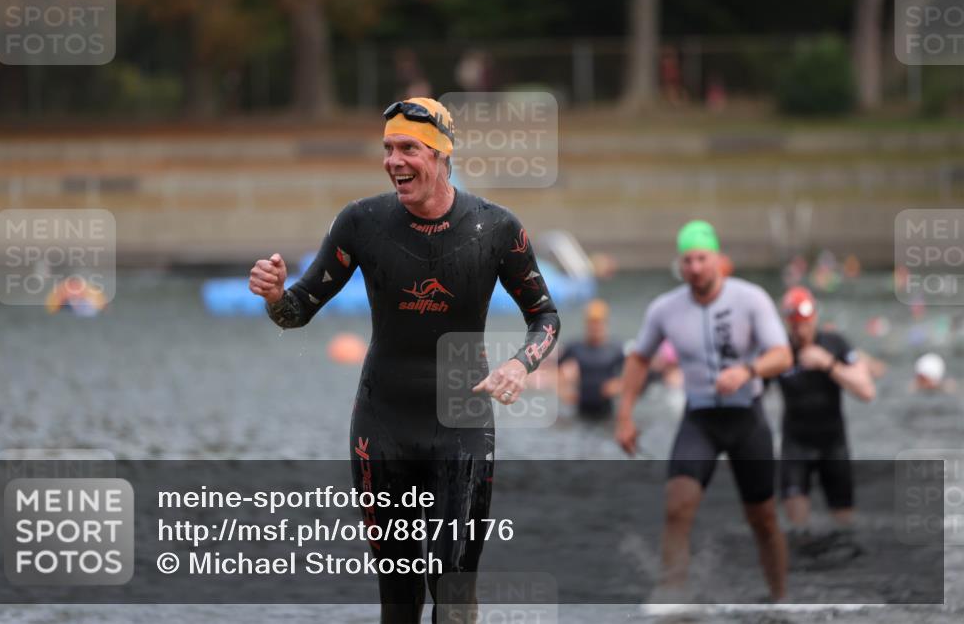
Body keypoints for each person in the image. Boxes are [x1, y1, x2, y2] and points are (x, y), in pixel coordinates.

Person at [249, 97, 560, 623]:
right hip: (382, 423)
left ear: (440, 155)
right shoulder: (361, 222)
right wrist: (276, 295)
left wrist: (519, 365)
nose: (394, 160)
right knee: (398, 597)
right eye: (388, 148)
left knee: (454, 594)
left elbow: (545, 316)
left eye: (408, 149)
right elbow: (296, 313)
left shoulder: (495, 229)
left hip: (461, 423)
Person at [615, 220, 792, 602]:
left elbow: (782, 354)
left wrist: (748, 370)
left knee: (762, 518)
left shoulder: (750, 298)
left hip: (747, 417)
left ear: (717, 259)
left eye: (701, 258)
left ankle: (780, 597)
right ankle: (673, 596)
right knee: (677, 506)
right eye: (687, 260)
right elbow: (639, 359)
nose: (694, 267)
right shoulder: (666, 308)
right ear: (680, 265)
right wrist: (625, 415)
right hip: (701, 420)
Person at [775, 286, 875, 534]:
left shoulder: (834, 344)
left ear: (815, 318)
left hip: (833, 444)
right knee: (797, 530)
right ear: (787, 322)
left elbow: (866, 391)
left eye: (805, 323)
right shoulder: (780, 351)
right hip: (795, 445)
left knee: (845, 526)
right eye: (795, 323)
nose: (801, 329)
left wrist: (828, 364)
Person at [558, 299, 625, 420]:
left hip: (606, 408)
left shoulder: (616, 348)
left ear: (606, 323)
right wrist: (564, 391)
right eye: (592, 323)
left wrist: (617, 385)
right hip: (581, 405)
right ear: (586, 324)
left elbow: (630, 374)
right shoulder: (575, 347)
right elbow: (557, 367)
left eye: (599, 323)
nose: (595, 327)